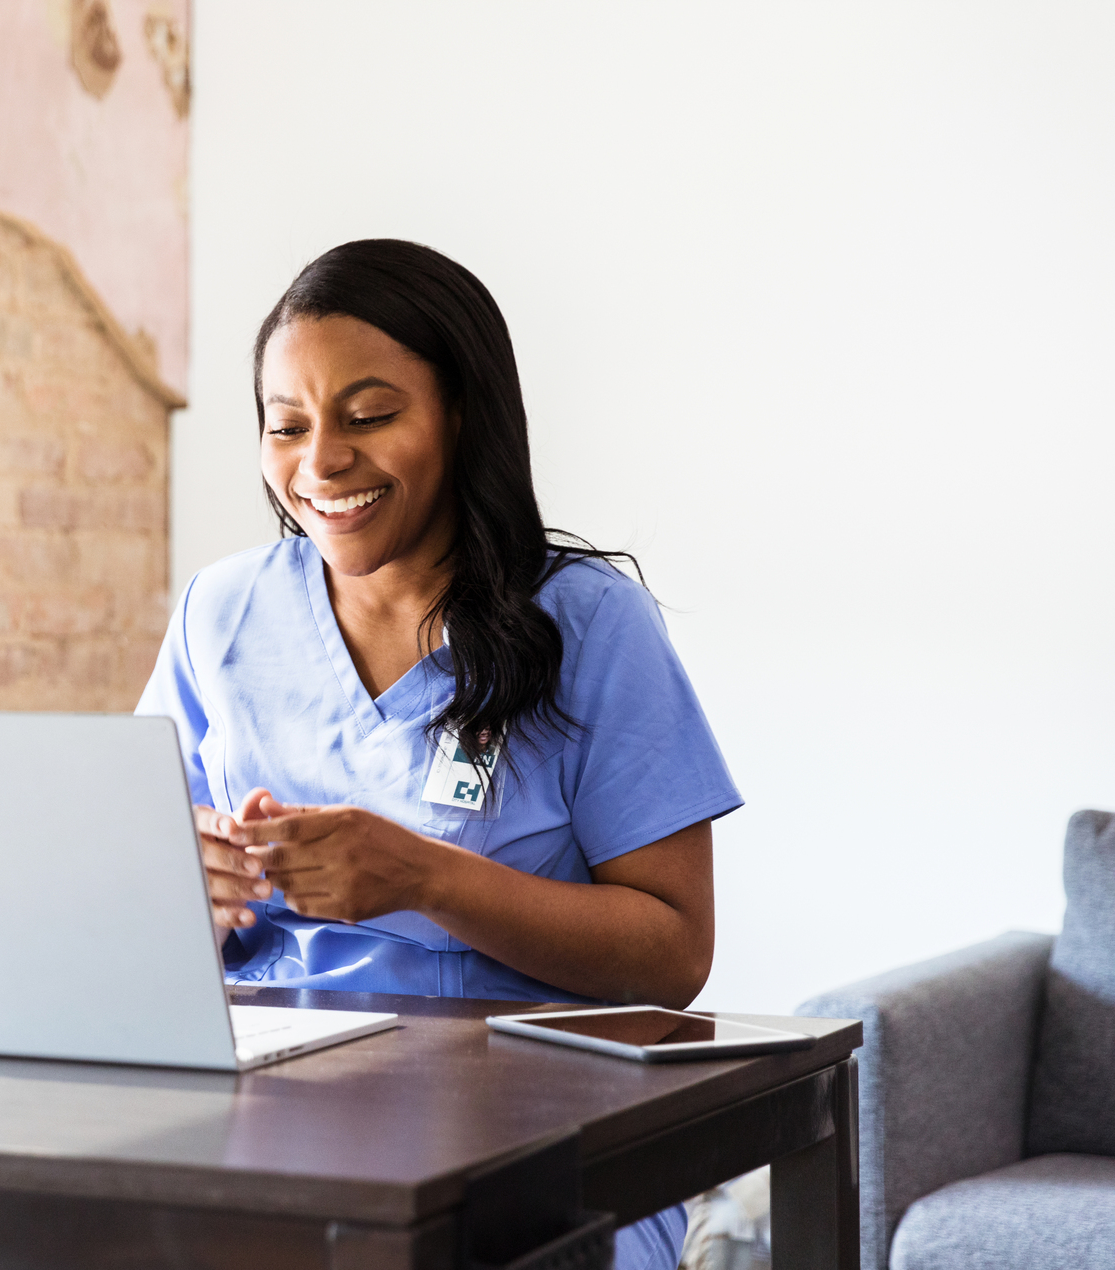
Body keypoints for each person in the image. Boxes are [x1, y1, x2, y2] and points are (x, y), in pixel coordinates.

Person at [136, 239, 742, 1270]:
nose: (320, 462)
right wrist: (187, 886)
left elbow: (675, 955)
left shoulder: (590, 626)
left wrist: (425, 877)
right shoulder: (221, 612)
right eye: (287, 425)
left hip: (537, 1137)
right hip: (272, 1119)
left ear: (461, 415)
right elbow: (138, 898)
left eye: (369, 416)